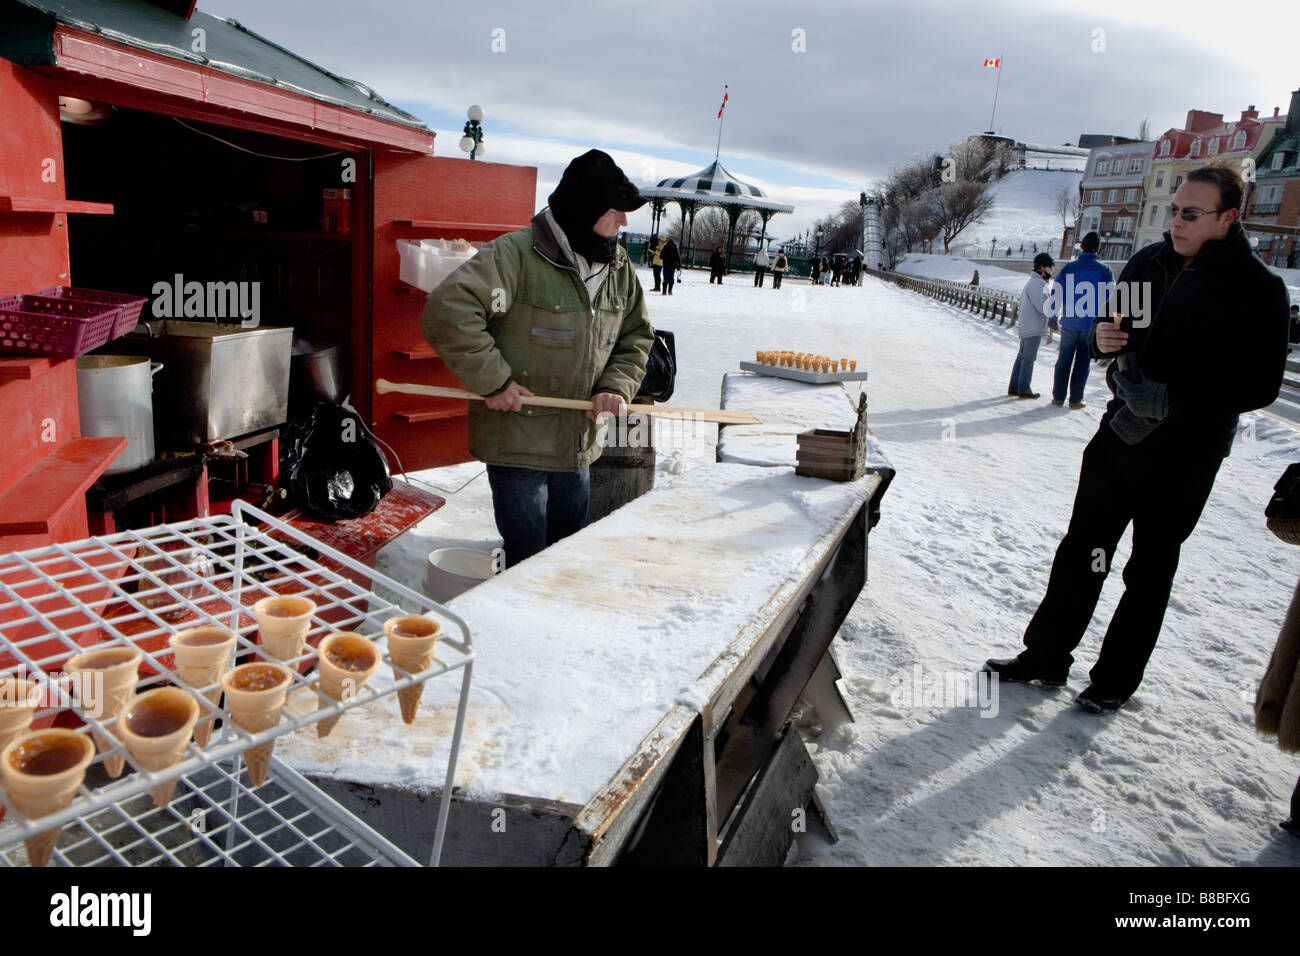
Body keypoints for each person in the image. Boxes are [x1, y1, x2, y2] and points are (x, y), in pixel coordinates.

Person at [984, 164, 1290, 713]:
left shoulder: (1258, 290)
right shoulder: (1150, 263)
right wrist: (1105, 339)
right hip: (1122, 433)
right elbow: (1122, 331)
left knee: (1148, 567)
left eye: (1190, 214)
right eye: (1174, 210)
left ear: (1229, 217)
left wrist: (1174, 400)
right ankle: (1047, 655)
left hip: (1187, 451)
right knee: (1084, 549)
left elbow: (1258, 385)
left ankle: (1114, 682)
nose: (1176, 222)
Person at [422, 149, 654, 568]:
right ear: (586, 209)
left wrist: (614, 386)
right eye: (616, 211)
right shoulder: (515, 256)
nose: (624, 222)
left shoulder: (618, 266)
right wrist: (493, 380)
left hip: (577, 443)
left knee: (565, 559)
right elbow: (447, 311)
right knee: (527, 564)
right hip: (518, 444)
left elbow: (635, 336)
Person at [1051, 231, 1114, 410]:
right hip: (1090, 325)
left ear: (1082, 247)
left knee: (1063, 360)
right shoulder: (1105, 270)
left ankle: (1058, 397)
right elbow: (1113, 298)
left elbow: (1056, 292)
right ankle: (1075, 400)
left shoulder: (1069, 268)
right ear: (1098, 247)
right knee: (1082, 363)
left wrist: (1052, 316)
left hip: (1070, 322)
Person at [1008, 253, 1058, 399]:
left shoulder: (1034, 282)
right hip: (1033, 326)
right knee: (1028, 358)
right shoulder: (1038, 284)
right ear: (1043, 267)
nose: (1052, 270)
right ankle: (1024, 388)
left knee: (1023, 356)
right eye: (1051, 266)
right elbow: (1043, 306)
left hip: (1028, 324)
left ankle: (1015, 387)